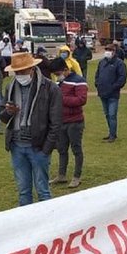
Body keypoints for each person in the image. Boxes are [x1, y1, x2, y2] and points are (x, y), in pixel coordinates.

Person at [0, 52, 62, 206]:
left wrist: (46, 149)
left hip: (38, 147)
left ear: (32, 69)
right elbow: (3, 117)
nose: (19, 75)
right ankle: (27, 226)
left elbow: (56, 123)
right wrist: (8, 112)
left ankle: (48, 226)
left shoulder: (50, 88)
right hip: (17, 146)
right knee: (23, 191)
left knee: (43, 191)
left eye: (23, 71)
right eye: (17, 72)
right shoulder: (11, 87)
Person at [49, 57, 88, 188]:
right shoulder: (59, 83)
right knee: (62, 149)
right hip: (61, 121)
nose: (57, 76)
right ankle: (62, 175)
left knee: (76, 149)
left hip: (75, 122)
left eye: (58, 74)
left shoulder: (79, 81)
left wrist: (61, 98)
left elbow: (81, 100)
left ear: (66, 69)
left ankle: (77, 176)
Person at [95, 43, 127, 143]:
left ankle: (112, 135)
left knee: (112, 115)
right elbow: (97, 74)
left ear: (114, 52)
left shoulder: (119, 63)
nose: (107, 52)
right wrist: (97, 84)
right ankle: (111, 133)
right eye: (107, 50)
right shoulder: (101, 62)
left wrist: (113, 87)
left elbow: (122, 78)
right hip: (102, 93)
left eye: (110, 50)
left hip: (113, 94)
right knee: (107, 114)